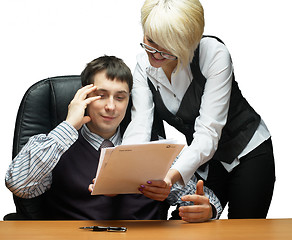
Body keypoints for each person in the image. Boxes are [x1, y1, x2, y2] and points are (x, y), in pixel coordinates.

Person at [5, 55, 221, 222]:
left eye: (120, 97)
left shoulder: (155, 148)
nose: (111, 107)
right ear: (84, 96)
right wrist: (69, 124)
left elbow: (205, 198)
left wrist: (207, 209)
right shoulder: (56, 144)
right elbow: (19, 185)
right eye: (101, 95)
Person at [122, 0, 275, 219]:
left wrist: (169, 178)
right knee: (190, 223)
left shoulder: (212, 53)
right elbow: (139, 127)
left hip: (248, 151)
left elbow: (208, 132)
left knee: (245, 230)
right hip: (206, 162)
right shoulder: (142, 67)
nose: (155, 54)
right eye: (150, 42)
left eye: (168, 47)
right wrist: (120, 170)